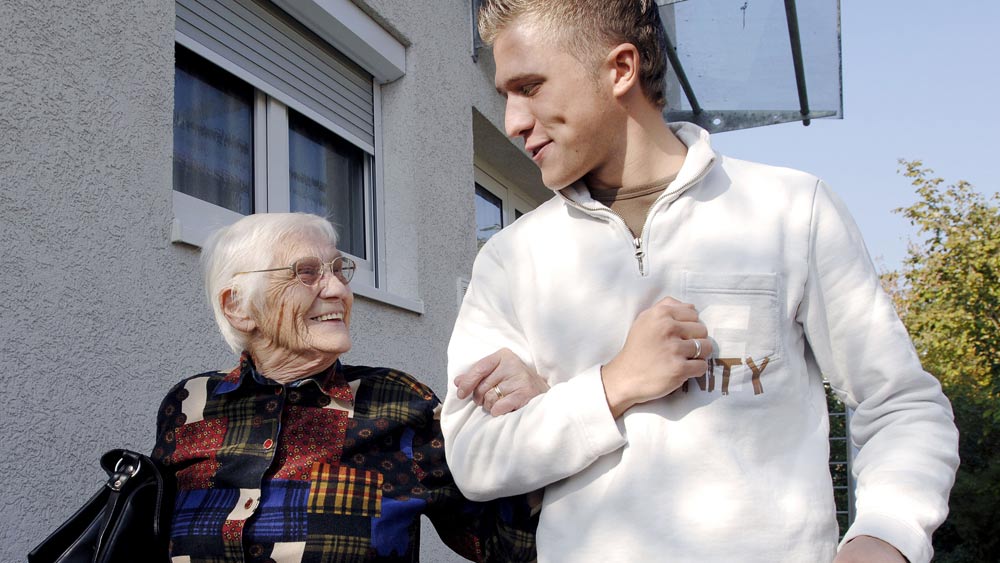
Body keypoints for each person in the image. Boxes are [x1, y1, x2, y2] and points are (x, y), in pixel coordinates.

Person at [441, 2, 959, 562]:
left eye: (530, 87)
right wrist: (612, 384)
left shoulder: (790, 210)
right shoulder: (512, 257)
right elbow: (473, 457)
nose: (514, 121)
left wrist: (884, 537)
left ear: (620, 69)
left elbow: (901, 404)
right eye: (506, 96)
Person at [152, 212, 539, 562]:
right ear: (238, 307)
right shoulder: (190, 403)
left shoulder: (400, 403)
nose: (338, 289)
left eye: (339, 270)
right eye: (306, 273)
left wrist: (535, 414)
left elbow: (511, 546)